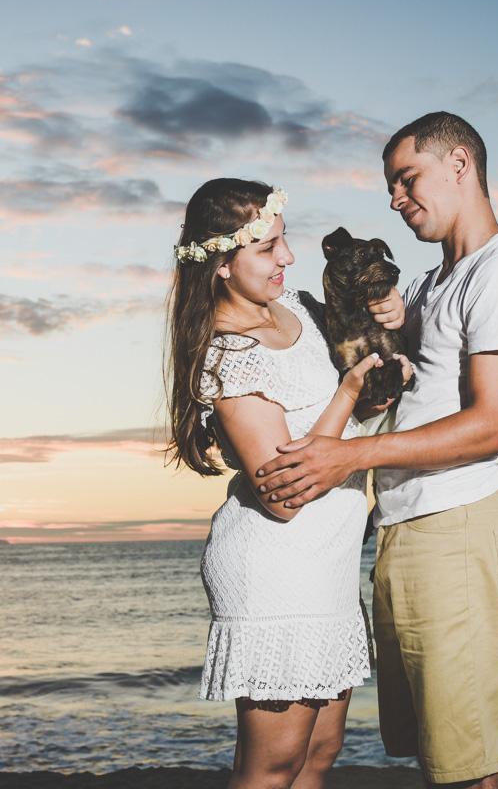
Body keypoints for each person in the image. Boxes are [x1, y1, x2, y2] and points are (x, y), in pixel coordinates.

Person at [254, 113, 498, 788]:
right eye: (390, 185)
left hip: (457, 527)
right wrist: (389, 304)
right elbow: (391, 348)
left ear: (460, 165)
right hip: (409, 528)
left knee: (469, 769)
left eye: (406, 178)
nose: (395, 198)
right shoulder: (436, 280)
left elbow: (492, 426)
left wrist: (346, 458)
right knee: (440, 756)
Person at [165, 178, 409, 789]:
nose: (289, 257)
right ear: (222, 264)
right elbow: (283, 496)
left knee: (319, 755)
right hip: (276, 569)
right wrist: (349, 391)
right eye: (268, 247)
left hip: (328, 564)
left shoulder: (299, 306)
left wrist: (384, 357)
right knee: (270, 770)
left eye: (284, 239)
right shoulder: (228, 355)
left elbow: (342, 410)